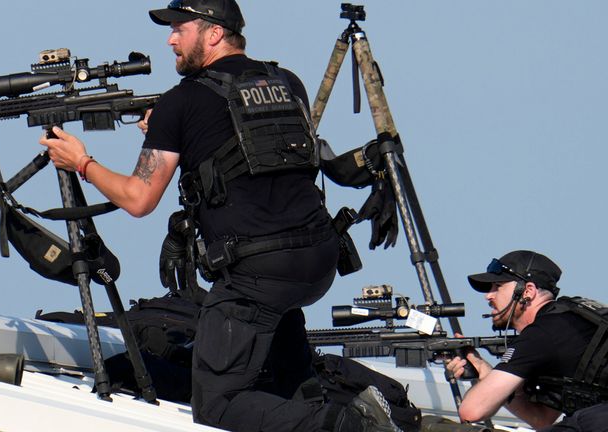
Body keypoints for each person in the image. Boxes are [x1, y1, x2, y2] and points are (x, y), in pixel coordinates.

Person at [39, 1, 400, 431]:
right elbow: (255, 148)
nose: (171, 38)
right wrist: (173, 131)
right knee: (283, 379)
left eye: (179, 28)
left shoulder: (182, 102)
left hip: (257, 274)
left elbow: (138, 199)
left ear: (213, 34)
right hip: (316, 259)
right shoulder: (288, 82)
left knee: (217, 405)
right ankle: (321, 402)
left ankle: (351, 425)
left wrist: (81, 162)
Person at [446, 250, 608, 431]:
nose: (488, 296)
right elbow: (542, 418)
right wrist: (485, 372)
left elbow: (471, 411)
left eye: (497, 287)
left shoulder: (542, 333)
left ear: (527, 291)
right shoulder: (568, 320)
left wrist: (488, 380)